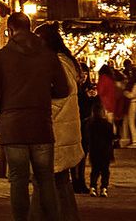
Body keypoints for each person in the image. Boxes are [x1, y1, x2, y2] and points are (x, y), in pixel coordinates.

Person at [0, 11, 71, 221]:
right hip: (41, 124)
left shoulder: (2, 56)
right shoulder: (47, 55)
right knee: (45, 179)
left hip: (13, 125)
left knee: (18, 180)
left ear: (10, 29)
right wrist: (42, 95)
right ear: (29, 27)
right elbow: (63, 89)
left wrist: (3, 109)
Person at [36, 25, 85, 221]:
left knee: (46, 178)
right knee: (60, 180)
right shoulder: (64, 63)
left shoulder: (57, 64)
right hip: (63, 128)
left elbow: (60, 96)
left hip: (57, 129)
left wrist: (40, 112)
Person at [82, 101, 116, 197]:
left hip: (94, 150)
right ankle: (104, 188)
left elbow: (87, 137)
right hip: (105, 150)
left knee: (95, 170)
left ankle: (93, 187)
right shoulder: (107, 125)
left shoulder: (90, 124)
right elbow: (111, 137)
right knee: (105, 170)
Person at [119, 68, 136, 148]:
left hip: (133, 103)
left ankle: (135, 141)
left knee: (131, 122)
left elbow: (132, 95)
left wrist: (126, 93)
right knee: (131, 122)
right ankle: (133, 139)